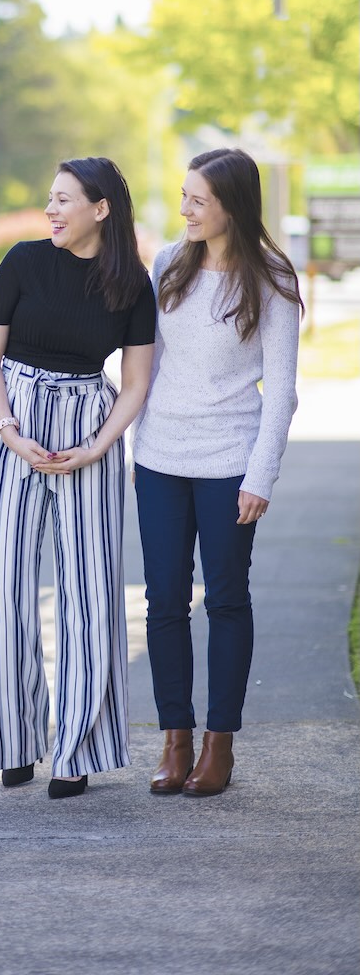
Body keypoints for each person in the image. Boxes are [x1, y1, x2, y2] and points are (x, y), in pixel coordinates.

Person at [0, 157, 156, 799]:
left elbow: (135, 384)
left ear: (100, 208)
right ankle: (17, 740)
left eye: (63, 200)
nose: (51, 210)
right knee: (7, 590)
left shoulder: (132, 285)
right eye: (49, 199)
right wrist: (8, 430)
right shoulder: (23, 262)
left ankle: (77, 748)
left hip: (90, 425)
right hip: (14, 421)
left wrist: (97, 448)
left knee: (92, 592)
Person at [134, 148, 302, 797]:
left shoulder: (272, 279)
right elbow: (147, 364)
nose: (185, 210)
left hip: (230, 462)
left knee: (226, 599)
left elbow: (281, 389)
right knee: (164, 601)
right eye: (183, 196)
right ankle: (174, 740)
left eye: (197, 200)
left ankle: (218, 743)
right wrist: (136, 445)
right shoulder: (168, 265)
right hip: (160, 458)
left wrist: (261, 475)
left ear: (232, 206)